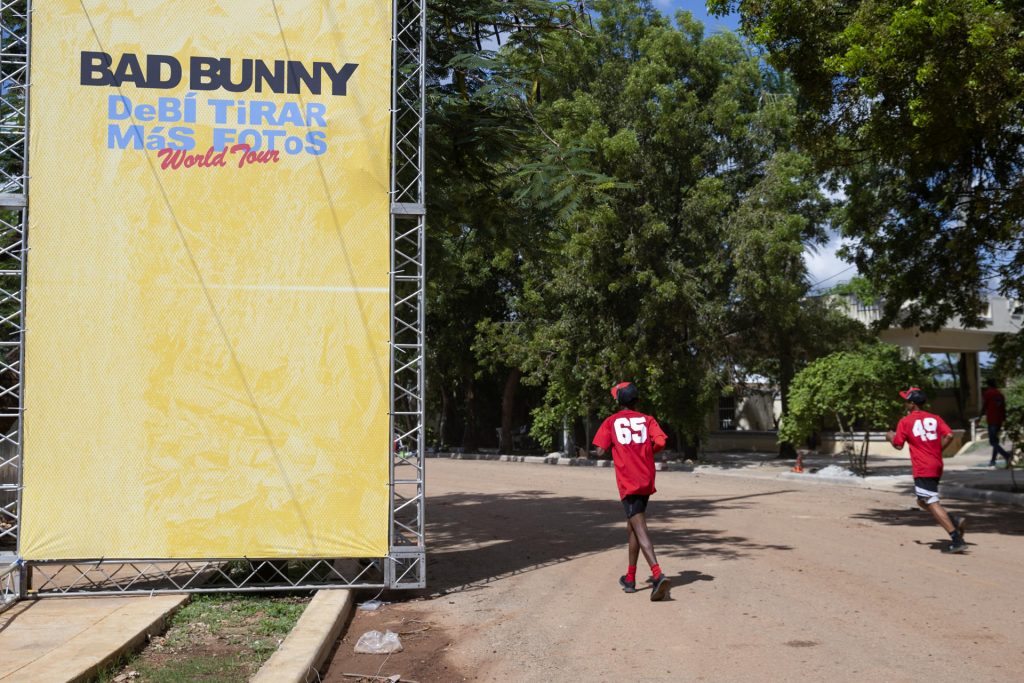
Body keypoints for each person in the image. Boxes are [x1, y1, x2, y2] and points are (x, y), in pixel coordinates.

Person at [592, 381, 672, 601]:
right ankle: (630, 578)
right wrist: (646, 451)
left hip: (628, 480)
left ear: (619, 400)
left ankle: (657, 574)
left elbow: (600, 451)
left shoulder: (611, 421)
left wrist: (609, 449)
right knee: (632, 527)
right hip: (646, 478)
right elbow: (661, 442)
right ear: (636, 399)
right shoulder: (647, 420)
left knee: (640, 526)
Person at [886, 387, 968, 554]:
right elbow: (950, 436)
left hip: (923, 467)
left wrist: (890, 437)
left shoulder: (905, 421)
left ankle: (956, 538)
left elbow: (898, 444)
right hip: (936, 464)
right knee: (922, 501)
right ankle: (952, 520)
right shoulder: (935, 418)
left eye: (906, 401)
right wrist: (938, 450)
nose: (905, 404)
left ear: (912, 404)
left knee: (930, 501)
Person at [980, 378, 1011, 468]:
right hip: (999, 420)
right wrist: (1004, 420)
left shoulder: (988, 393)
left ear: (988, 385)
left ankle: (1006, 455)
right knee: (996, 441)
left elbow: (984, 406)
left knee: (992, 441)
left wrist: (980, 416)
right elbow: (1003, 408)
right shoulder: (1000, 394)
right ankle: (993, 461)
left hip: (992, 420)